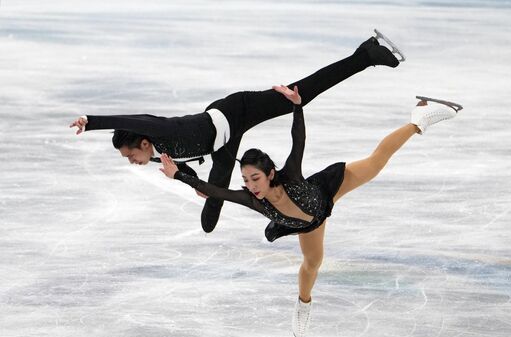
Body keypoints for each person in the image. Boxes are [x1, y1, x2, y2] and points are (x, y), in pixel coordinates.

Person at [158, 85, 462, 337]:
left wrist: (297, 106)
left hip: (328, 189)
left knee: (377, 161)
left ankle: (420, 118)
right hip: (307, 223)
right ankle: (304, 304)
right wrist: (178, 176)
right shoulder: (254, 201)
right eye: (246, 181)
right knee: (312, 263)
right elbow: (215, 191)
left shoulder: (289, 175)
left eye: (255, 179)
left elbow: (298, 140)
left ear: (270, 173)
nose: (251, 186)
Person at [69, 30, 405, 233]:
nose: (133, 162)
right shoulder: (157, 152)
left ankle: (366, 54)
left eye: (131, 155)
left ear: (142, 142)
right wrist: (185, 176)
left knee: (300, 94)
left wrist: (91, 119)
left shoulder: (162, 130)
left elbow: (136, 119)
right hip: (220, 147)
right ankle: (210, 206)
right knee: (210, 207)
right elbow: (182, 164)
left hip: (234, 113)